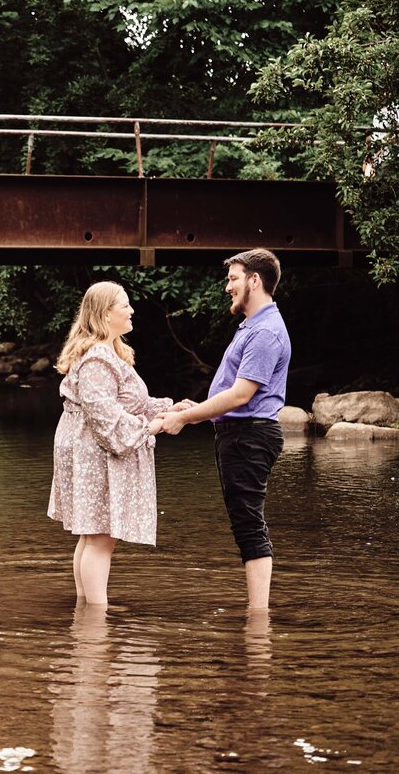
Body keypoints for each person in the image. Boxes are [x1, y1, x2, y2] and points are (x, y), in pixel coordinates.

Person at [157, 249, 291, 610]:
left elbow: (241, 394)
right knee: (244, 521)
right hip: (241, 435)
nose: (227, 286)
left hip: (250, 436)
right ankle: (256, 614)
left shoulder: (265, 332)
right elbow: (231, 391)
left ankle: (258, 618)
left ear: (255, 280)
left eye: (233, 278)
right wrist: (195, 408)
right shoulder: (252, 325)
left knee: (248, 523)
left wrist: (188, 418)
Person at [47, 281, 185, 607]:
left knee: (93, 534)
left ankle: (85, 612)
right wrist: (153, 426)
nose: (132, 310)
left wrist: (169, 408)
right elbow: (105, 420)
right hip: (91, 455)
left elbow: (127, 402)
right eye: (125, 305)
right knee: (100, 536)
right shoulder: (96, 358)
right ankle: (96, 617)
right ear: (105, 314)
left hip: (89, 452)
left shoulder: (112, 352)